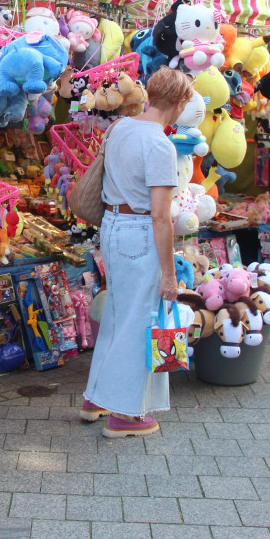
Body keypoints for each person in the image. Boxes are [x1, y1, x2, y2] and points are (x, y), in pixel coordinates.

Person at [81, 67, 193, 438]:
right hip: (140, 232)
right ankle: (125, 414)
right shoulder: (160, 145)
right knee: (139, 320)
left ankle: (97, 397)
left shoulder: (121, 127)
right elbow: (161, 216)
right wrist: (169, 273)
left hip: (112, 227)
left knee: (116, 314)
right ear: (178, 104)